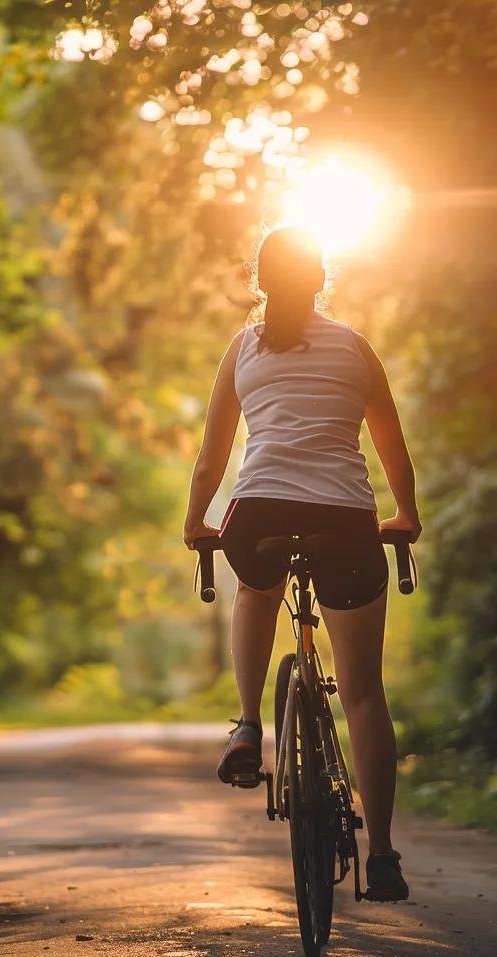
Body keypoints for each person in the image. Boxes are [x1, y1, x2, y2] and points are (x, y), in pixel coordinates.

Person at [182, 225, 420, 903]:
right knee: (365, 692)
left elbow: (213, 456)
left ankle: (249, 725)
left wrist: (196, 521)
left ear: (260, 282)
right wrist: (404, 513)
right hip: (346, 521)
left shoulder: (243, 347)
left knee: (256, 591)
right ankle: (382, 857)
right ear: (321, 278)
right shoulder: (355, 347)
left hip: (258, 512)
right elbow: (391, 443)